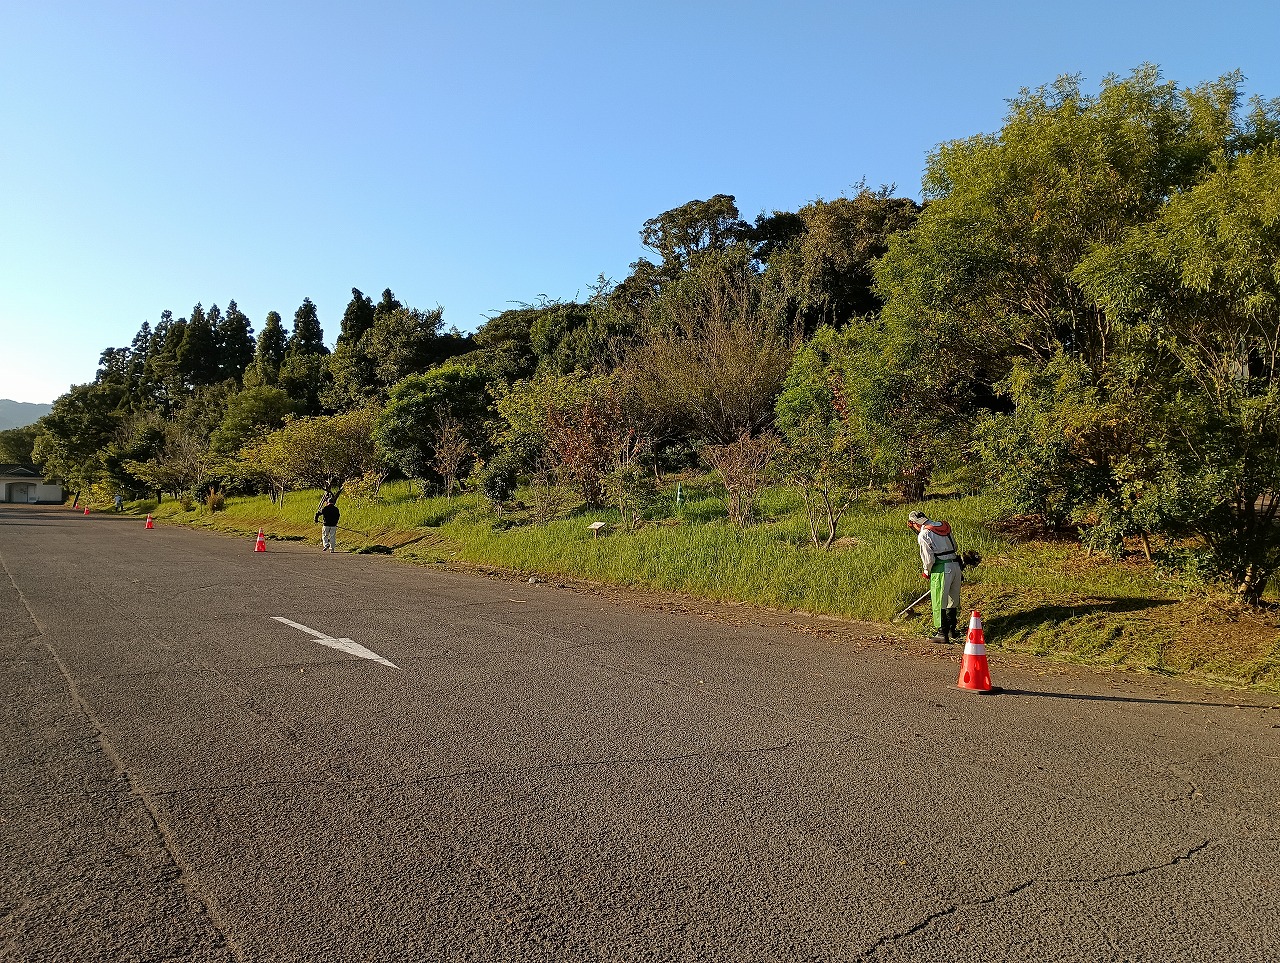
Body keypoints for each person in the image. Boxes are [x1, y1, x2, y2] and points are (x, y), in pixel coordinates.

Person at [908, 510, 962, 643]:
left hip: (941, 568)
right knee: (953, 600)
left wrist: (926, 572)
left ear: (914, 523)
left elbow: (928, 559)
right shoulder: (944, 526)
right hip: (956, 566)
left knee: (939, 600)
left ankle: (942, 633)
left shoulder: (924, 534)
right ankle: (952, 630)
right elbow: (955, 546)